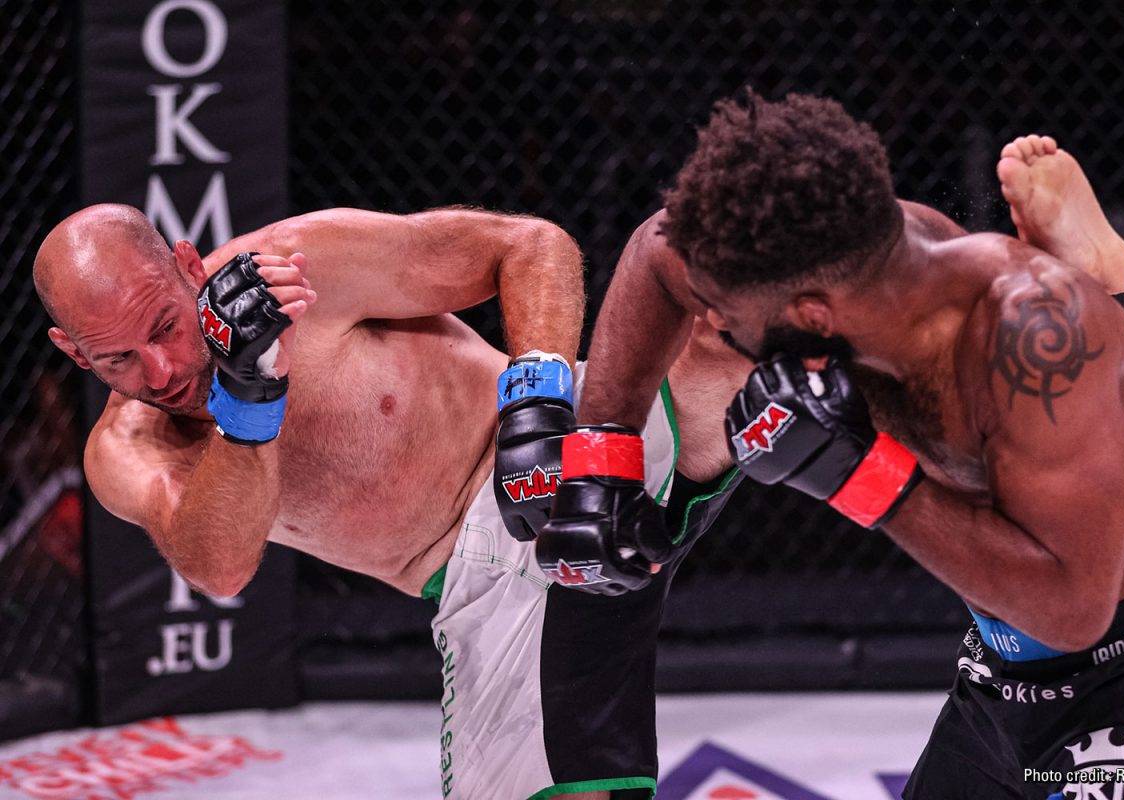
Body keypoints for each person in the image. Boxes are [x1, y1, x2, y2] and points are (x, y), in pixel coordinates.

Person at [552, 92, 1124, 800]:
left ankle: (1077, 268)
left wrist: (858, 475)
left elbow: (1075, 614)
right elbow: (661, 246)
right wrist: (600, 461)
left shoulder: (1036, 342)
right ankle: (1078, 259)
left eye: (726, 311)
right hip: (996, 679)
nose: (710, 319)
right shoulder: (844, 263)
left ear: (812, 314)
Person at [33, 204, 746, 800]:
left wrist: (535, 407)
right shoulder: (127, 451)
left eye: (164, 327)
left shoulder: (301, 264)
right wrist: (249, 397)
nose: (159, 372)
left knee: (745, 307)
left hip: (573, 439)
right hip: (481, 583)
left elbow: (530, 245)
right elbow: (219, 567)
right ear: (73, 351)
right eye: (117, 359)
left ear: (190, 268)